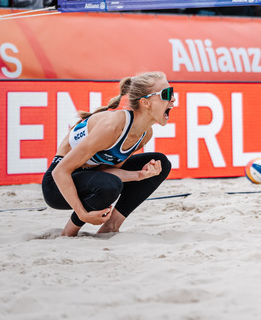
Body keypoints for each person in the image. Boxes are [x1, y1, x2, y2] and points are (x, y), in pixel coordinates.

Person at [41, 72, 175, 237]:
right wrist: (82, 214)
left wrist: (140, 175)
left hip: (89, 176)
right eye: (166, 94)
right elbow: (60, 171)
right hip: (57, 186)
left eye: (172, 92)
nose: (173, 99)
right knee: (109, 185)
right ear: (145, 102)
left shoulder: (145, 134)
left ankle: (111, 226)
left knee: (161, 163)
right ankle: (69, 232)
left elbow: (105, 171)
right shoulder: (112, 126)